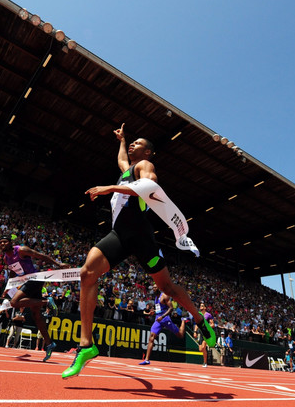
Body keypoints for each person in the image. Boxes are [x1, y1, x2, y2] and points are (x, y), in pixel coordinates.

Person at [62, 124, 216, 379]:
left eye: (138, 143)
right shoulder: (126, 170)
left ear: (148, 152)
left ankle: (199, 319)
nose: (133, 145)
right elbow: (122, 159)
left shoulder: (144, 166)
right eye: (132, 143)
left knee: (167, 288)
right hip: (119, 235)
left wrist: (109, 188)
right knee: (87, 273)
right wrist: (122, 140)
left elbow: (150, 183)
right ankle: (86, 345)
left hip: (142, 236)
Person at [2, 234, 67, 362]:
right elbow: (12, 272)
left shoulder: (21, 250)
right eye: (0, 243)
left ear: (10, 243)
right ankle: (49, 344)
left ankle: (46, 301)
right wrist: (8, 287)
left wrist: (58, 264)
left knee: (14, 302)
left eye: (5, 242)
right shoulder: (6, 258)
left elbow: (41, 256)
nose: (2, 244)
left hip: (34, 279)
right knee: (36, 316)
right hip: (27, 282)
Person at [139, 283, 187, 365]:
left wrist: (162, 316)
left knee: (180, 335)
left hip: (165, 319)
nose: (153, 288)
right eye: (153, 287)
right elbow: (159, 309)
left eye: (155, 287)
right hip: (158, 320)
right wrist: (153, 312)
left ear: (159, 287)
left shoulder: (164, 296)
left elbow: (171, 308)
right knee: (151, 337)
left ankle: (183, 320)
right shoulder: (156, 297)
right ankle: (147, 359)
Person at [193, 303, 215, 368]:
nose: (201, 307)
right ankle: (205, 356)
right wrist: (195, 331)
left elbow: (212, 324)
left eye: (202, 306)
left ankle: (205, 362)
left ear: (205, 308)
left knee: (203, 347)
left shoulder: (208, 315)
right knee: (200, 349)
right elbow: (197, 324)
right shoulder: (199, 315)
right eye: (200, 306)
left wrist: (206, 327)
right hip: (201, 333)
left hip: (206, 333)